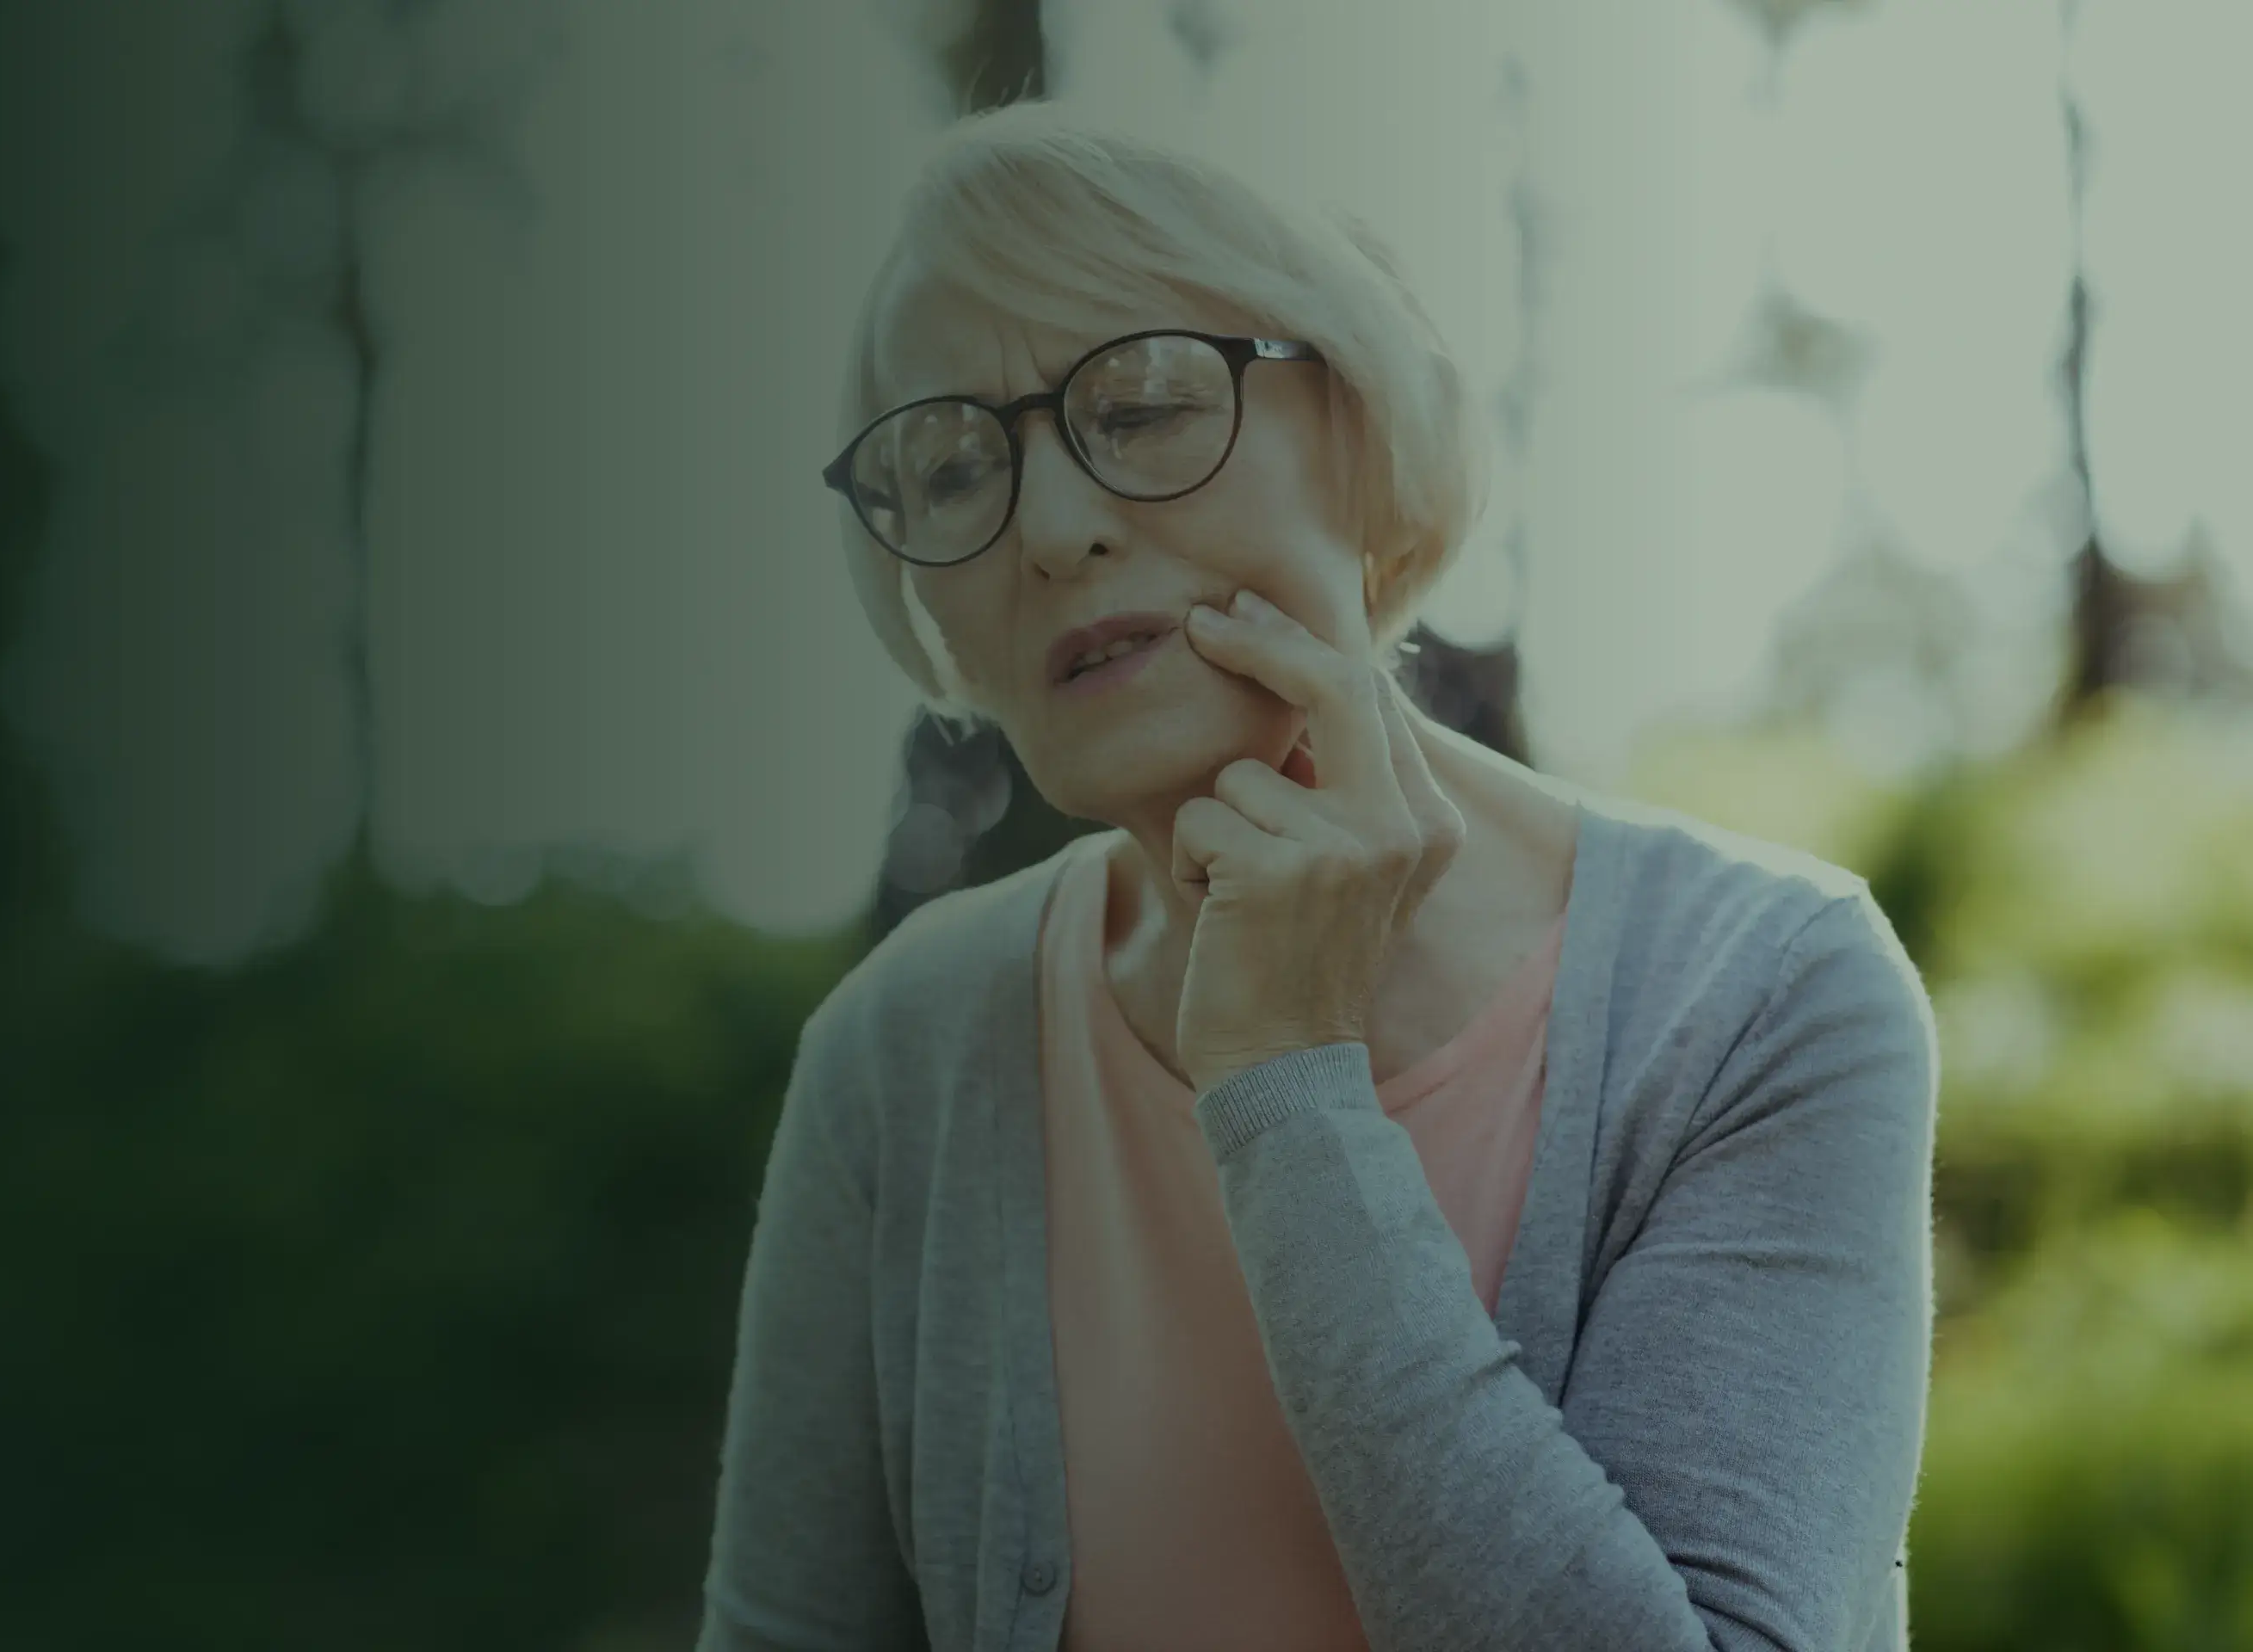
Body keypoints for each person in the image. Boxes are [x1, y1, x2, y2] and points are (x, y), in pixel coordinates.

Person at [696, 103, 1937, 1652]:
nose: (1056, 529)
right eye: (954, 471)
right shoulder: (898, 1057)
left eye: (1142, 407)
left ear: (1358, 428)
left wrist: (1287, 1083)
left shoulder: (1761, 995)